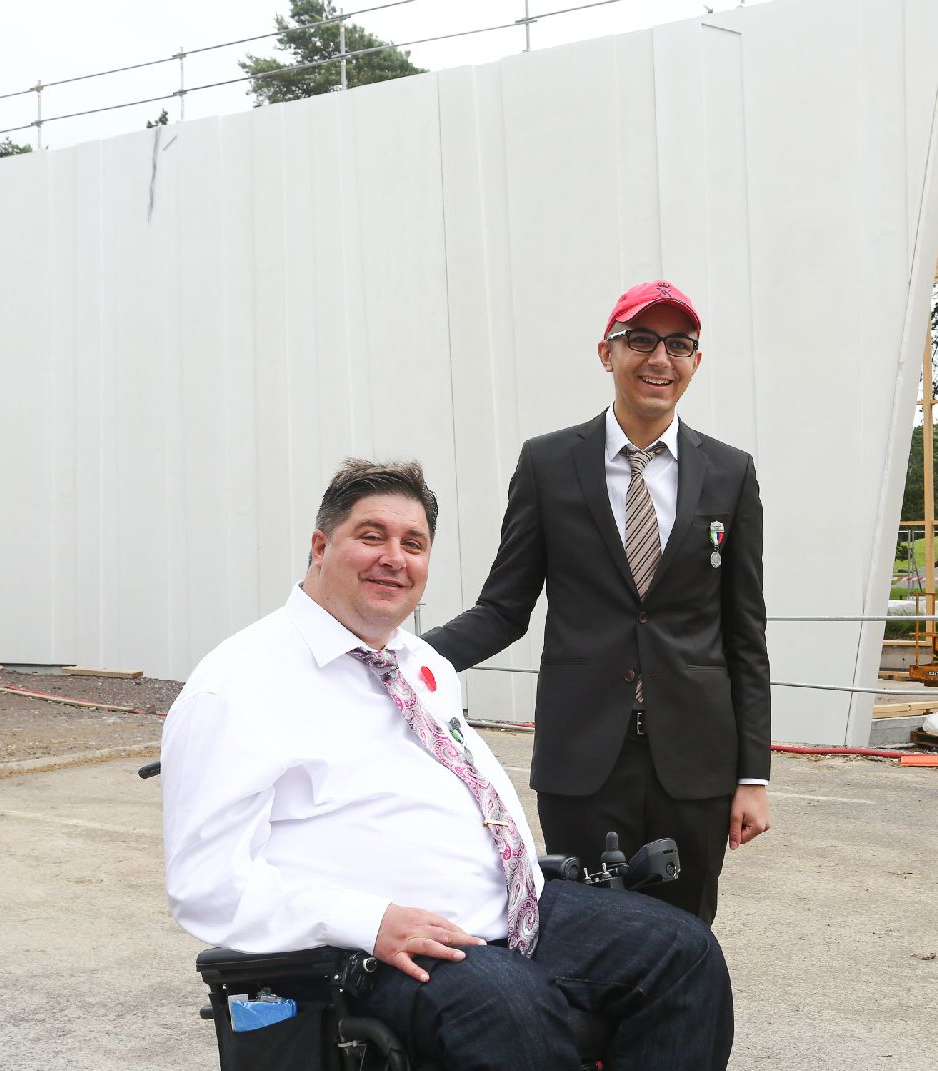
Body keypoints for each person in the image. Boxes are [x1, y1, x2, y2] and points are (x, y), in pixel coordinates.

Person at [160, 459, 733, 1071]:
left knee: (683, 951)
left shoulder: (419, 663)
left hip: (510, 906)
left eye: (414, 544)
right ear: (321, 547)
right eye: (371, 536)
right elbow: (206, 885)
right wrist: (369, 920)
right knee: (510, 1005)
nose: (394, 557)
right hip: (378, 943)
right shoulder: (239, 685)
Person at [423, 280, 772, 926]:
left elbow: (743, 635)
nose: (658, 359)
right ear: (605, 353)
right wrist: (405, 656)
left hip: (693, 765)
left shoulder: (729, 474)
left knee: (684, 940)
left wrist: (752, 775)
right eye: (639, 340)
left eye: (678, 344)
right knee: (583, 937)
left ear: (695, 361)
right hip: (582, 761)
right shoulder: (549, 465)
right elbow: (503, 608)